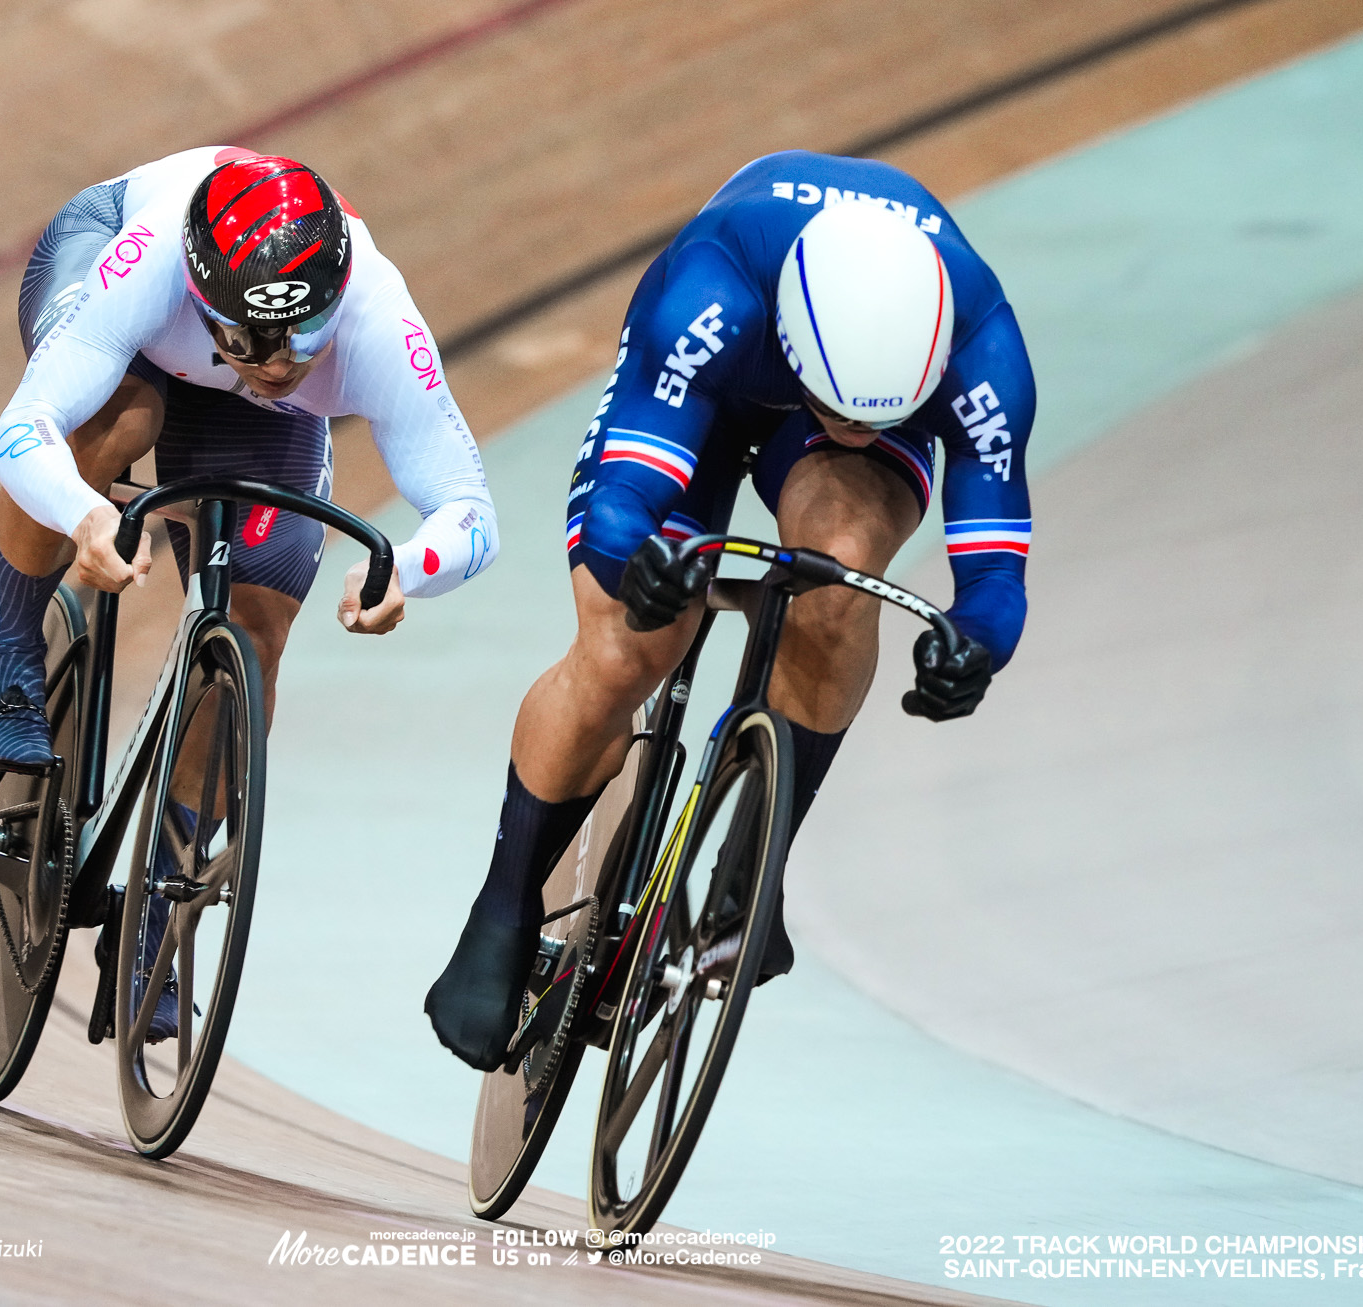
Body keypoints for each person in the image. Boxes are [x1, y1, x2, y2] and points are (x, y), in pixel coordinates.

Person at [424, 151, 1034, 1070]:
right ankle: (503, 906)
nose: (857, 434)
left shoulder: (982, 346)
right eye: (843, 410)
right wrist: (644, 565)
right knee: (629, 644)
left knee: (840, 580)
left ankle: (758, 854)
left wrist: (977, 644)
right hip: (719, 381)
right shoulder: (710, 294)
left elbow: (995, 572)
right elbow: (626, 504)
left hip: (838, 371)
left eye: (884, 417)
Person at [0, 147, 498, 1037]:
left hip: (244, 411)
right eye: (248, 339)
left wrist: (407, 567)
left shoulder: (378, 319)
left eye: (296, 340)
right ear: (206, 296)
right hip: (123, 305)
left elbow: (470, 513)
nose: (276, 363)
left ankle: (158, 907)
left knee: (254, 625)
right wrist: (86, 516)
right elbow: (22, 433)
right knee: (114, 424)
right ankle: (10, 653)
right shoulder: (151, 262)